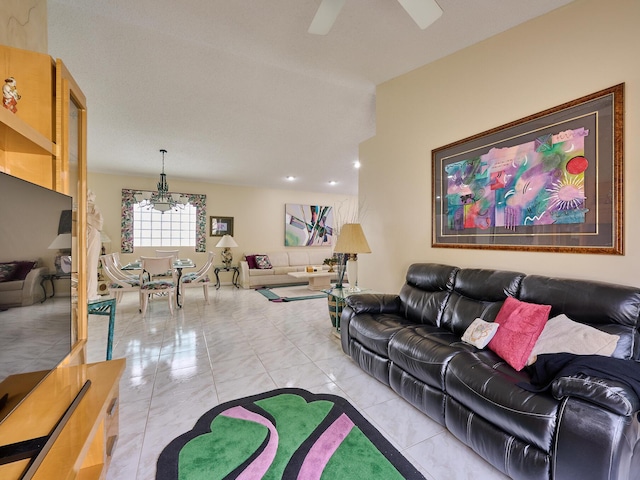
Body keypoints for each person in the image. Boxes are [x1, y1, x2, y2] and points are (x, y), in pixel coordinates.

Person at [87, 190, 104, 301]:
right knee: (89, 265)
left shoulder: (93, 208)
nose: (90, 201)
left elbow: (99, 222)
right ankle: (88, 292)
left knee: (91, 265)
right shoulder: (85, 210)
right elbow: (99, 222)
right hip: (89, 235)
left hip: (92, 234)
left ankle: (90, 291)